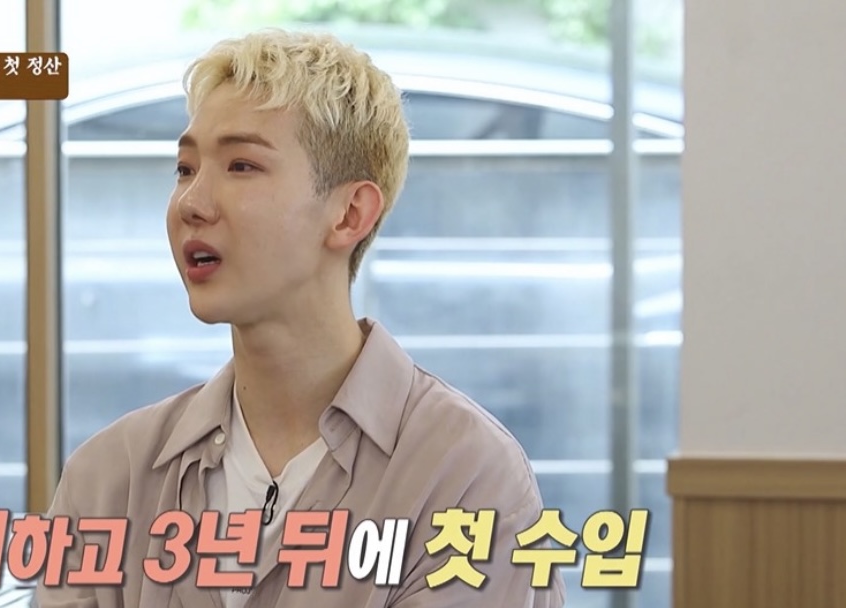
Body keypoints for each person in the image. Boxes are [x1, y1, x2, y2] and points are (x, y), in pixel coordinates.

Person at [36, 28, 566, 608]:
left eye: (241, 166)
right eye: (185, 169)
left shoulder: (465, 476)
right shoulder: (110, 478)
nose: (191, 203)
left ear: (350, 214)